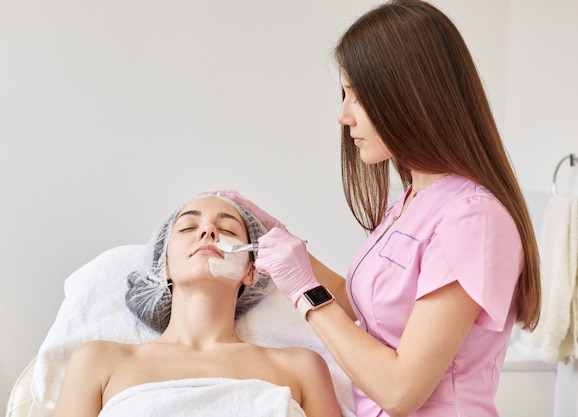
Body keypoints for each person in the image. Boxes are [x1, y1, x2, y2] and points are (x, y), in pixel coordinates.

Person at [210, 1, 542, 416]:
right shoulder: (411, 200)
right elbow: (362, 301)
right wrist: (280, 241)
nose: (342, 115)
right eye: (343, 94)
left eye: (356, 95)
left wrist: (303, 291)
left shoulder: (473, 218)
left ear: (409, 94)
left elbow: (401, 391)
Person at [53, 194, 341, 417]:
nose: (208, 230)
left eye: (227, 228)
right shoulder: (98, 361)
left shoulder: (302, 367)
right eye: (189, 227)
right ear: (163, 266)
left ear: (250, 271)